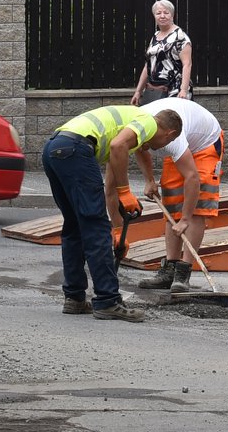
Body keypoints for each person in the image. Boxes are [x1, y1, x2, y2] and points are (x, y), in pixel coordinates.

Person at [42, 103, 183, 321]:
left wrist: (118, 230)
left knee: (74, 227)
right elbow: (119, 146)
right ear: (170, 133)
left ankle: (74, 298)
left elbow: (111, 186)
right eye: (169, 142)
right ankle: (108, 301)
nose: (162, 146)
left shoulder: (130, 125)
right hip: (76, 150)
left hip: (54, 149)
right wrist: (126, 193)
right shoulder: (148, 122)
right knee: (96, 228)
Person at [134, 95, 225, 290]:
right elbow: (140, 149)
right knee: (172, 204)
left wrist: (185, 219)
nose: (148, 145)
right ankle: (169, 270)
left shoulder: (173, 140)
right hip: (182, 145)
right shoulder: (141, 125)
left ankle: (183, 272)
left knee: (197, 208)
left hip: (205, 144)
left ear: (169, 135)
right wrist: (149, 180)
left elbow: (192, 178)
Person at [132, 0, 192, 105]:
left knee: (171, 120)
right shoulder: (155, 36)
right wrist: (138, 91)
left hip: (175, 91)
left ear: (172, 15)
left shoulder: (180, 37)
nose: (162, 16)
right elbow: (148, 66)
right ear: (154, 16)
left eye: (166, 12)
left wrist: (183, 90)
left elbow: (187, 64)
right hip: (154, 90)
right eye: (158, 13)